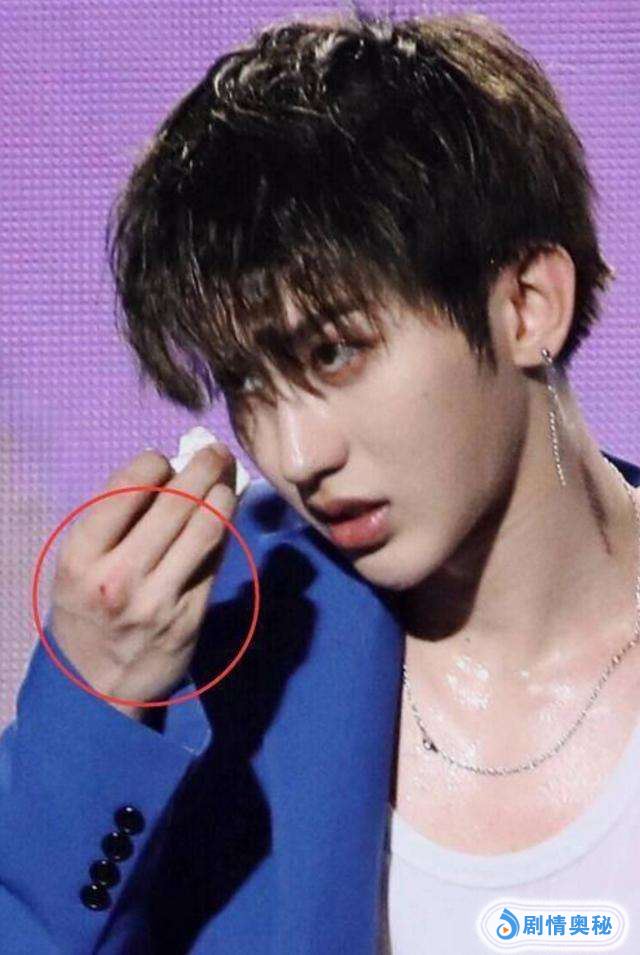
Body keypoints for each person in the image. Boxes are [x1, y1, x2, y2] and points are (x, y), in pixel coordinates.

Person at [1, 8, 638, 954]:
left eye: (335, 352)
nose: (294, 454)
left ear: (526, 305)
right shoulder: (217, 649)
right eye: (247, 384)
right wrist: (99, 706)